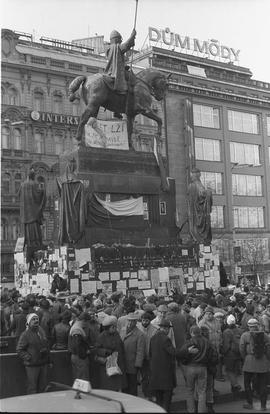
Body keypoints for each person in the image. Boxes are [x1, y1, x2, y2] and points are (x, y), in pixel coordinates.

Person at [149, 318, 181, 412]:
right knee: (167, 399)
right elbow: (173, 352)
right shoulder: (166, 339)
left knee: (159, 399)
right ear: (166, 328)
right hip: (165, 373)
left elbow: (149, 353)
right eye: (168, 329)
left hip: (155, 373)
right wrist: (186, 350)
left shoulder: (153, 337)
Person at [104, 28, 136, 119]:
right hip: (117, 72)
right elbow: (127, 45)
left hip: (110, 71)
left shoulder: (109, 49)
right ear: (117, 39)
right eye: (119, 40)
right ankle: (132, 103)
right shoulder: (117, 47)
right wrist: (132, 35)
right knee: (133, 80)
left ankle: (116, 111)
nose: (120, 41)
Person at [239, 318, 270, 411]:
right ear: (257, 325)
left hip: (249, 361)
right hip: (263, 362)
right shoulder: (264, 335)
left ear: (248, 326)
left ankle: (249, 403)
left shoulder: (245, 335)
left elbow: (241, 348)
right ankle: (263, 405)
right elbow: (269, 348)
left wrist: (245, 358)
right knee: (263, 384)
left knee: (247, 383)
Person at [16, 313, 51, 394]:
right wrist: (29, 358)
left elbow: (46, 344)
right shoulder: (25, 334)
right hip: (32, 366)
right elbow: (19, 350)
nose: (36, 321)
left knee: (42, 387)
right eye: (33, 319)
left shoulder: (41, 331)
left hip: (43, 363)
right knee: (32, 388)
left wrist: (48, 359)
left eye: (37, 319)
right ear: (29, 322)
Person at [19, 168, 46, 267]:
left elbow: (19, 195)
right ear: (33, 176)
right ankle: (35, 243)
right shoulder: (35, 184)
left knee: (28, 231)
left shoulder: (22, 185)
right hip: (33, 213)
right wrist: (43, 191)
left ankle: (29, 243)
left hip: (25, 213)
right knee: (35, 230)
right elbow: (39, 195)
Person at [95, 315, 126, 391]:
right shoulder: (101, 336)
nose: (115, 328)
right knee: (108, 387)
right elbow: (96, 349)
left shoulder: (116, 334)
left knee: (117, 386)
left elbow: (121, 346)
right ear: (109, 327)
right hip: (107, 365)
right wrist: (106, 351)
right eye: (113, 327)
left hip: (117, 364)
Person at [121, 312, 145, 396]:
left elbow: (140, 351)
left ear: (136, 322)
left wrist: (138, 365)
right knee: (124, 385)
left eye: (132, 321)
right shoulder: (123, 330)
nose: (130, 323)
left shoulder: (140, 334)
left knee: (132, 386)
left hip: (132, 364)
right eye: (129, 320)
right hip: (123, 363)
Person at [187, 167, 213, 245]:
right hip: (196, 214)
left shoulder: (193, 186)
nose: (191, 177)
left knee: (194, 229)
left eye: (192, 175)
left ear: (195, 176)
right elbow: (204, 195)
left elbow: (202, 196)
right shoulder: (199, 186)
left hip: (194, 215)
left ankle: (199, 240)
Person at [137, 311, 158, 400]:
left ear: (150, 320)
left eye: (147, 320)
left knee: (152, 376)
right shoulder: (137, 328)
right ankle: (146, 395)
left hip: (151, 356)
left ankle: (152, 394)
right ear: (141, 320)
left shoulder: (155, 329)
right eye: (143, 320)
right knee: (144, 377)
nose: (145, 322)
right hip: (142, 357)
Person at [68, 312, 93, 381]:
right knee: (82, 379)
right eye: (88, 322)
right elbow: (78, 346)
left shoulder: (76, 327)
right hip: (80, 358)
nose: (88, 324)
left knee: (78, 378)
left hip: (77, 357)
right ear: (84, 321)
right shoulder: (77, 329)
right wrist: (85, 352)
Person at [222, 314, 242, 394]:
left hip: (230, 354)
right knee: (235, 371)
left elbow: (226, 345)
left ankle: (235, 385)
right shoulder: (239, 330)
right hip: (238, 353)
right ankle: (234, 387)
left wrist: (223, 352)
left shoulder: (226, 332)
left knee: (229, 370)